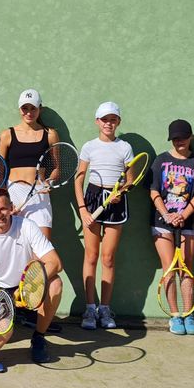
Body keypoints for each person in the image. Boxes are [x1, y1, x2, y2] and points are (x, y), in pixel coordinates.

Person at [0, 188, 64, 363]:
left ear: (11, 207)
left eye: (3, 208)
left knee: (55, 284)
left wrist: (25, 287)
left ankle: (39, 337)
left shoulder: (27, 226)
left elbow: (55, 263)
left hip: (26, 288)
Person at [74, 101, 138, 331]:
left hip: (116, 202)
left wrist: (122, 192)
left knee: (108, 258)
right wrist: (82, 209)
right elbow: (79, 179)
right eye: (104, 119)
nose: (108, 123)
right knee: (91, 256)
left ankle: (104, 308)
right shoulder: (89, 146)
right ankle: (90, 308)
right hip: (92, 199)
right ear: (97, 122)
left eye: (113, 119)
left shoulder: (125, 148)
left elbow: (130, 180)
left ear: (118, 122)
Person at [147, 119, 194, 335]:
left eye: (182, 137)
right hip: (161, 224)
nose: (179, 141)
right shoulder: (161, 161)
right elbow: (154, 191)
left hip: (188, 223)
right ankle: (174, 315)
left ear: (190, 137)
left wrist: (183, 215)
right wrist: (167, 215)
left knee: (186, 269)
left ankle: (188, 313)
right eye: (175, 138)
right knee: (170, 269)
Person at [0, 89, 62, 242]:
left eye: (33, 108)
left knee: (42, 245)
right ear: (19, 109)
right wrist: (4, 197)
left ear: (40, 108)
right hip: (13, 192)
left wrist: (50, 182)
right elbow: (0, 171)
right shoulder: (6, 135)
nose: (29, 112)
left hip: (39, 193)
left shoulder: (50, 134)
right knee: (14, 244)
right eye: (25, 108)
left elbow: (57, 168)